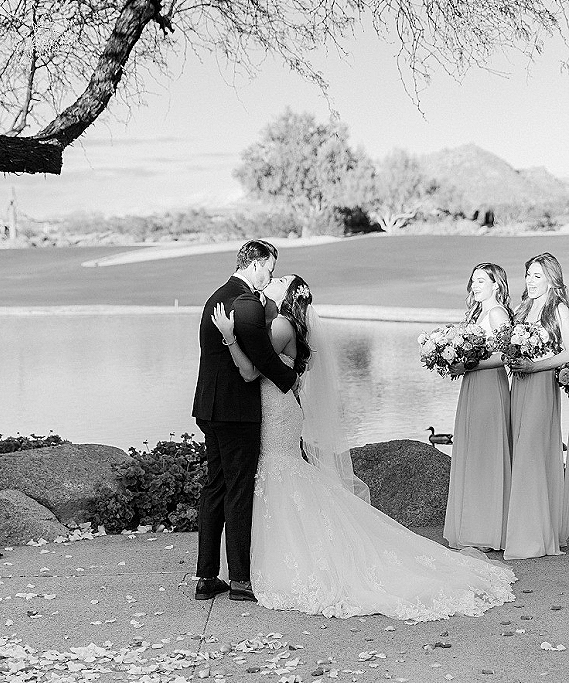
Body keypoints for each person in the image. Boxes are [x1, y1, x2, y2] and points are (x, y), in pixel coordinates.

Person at [212, 274, 516, 621]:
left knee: (277, 473)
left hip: (276, 414)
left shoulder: (281, 325)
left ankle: (270, 563)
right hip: (279, 410)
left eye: (280, 279)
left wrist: (229, 337)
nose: (274, 279)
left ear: (288, 295)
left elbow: (251, 370)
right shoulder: (286, 324)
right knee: (280, 475)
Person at [192, 240, 298, 602]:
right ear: (255, 264)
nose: (270, 275)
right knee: (238, 491)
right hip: (236, 412)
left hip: (209, 408)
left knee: (215, 487)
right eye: (269, 268)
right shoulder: (245, 302)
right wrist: (291, 380)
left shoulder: (217, 297)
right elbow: (262, 359)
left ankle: (206, 577)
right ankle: (239, 580)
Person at [504, 252, 569, 560]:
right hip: (519, 384)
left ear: (551, 279)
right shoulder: (524, 308)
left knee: (532, 452)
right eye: (528, 274)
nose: (530, 281)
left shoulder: (559, 309)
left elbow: (568, 352)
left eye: (537, 276)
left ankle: (534, 538)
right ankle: (522, 529)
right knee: (520, 451)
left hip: (541, 385)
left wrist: (535, 366)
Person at [444, 263, 513, 552]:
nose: (475, 285)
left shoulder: (497, 313)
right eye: (473, 281)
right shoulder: (477, 313)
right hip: (473, 385)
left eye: (481, 281)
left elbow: (507, 355)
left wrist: (469, 365)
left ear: (496, 285)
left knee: (486, 453)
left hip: (489, 386)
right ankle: (472, 525)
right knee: (473, 451)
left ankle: (488, 531)